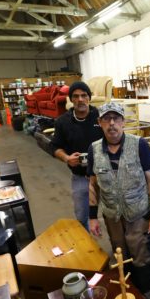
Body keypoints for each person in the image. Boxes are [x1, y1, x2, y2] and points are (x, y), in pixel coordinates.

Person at [88, 102, 150, 299]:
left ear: (123, 121)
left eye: (116, 118)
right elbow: (92, 184)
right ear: (99, 122)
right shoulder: (94, 150)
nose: (112, 124)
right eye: (106, 119)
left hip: (138, 215)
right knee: (120, 253)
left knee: (141, 256)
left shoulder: (139, 145)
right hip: (112, 217)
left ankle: (147, 296)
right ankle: (128, 291)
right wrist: (92, 217)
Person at [51, 81, 103, 230]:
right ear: (71, 99)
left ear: (89, 98)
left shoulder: (101, 117)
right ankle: (86, 247)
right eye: (76, 96)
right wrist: (66, 158)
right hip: (81, 177)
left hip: (104, 174)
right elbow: (54, 146)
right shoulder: (62, 122)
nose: (80, 99)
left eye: (84, 95)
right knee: (81, 217)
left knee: (113, 212)